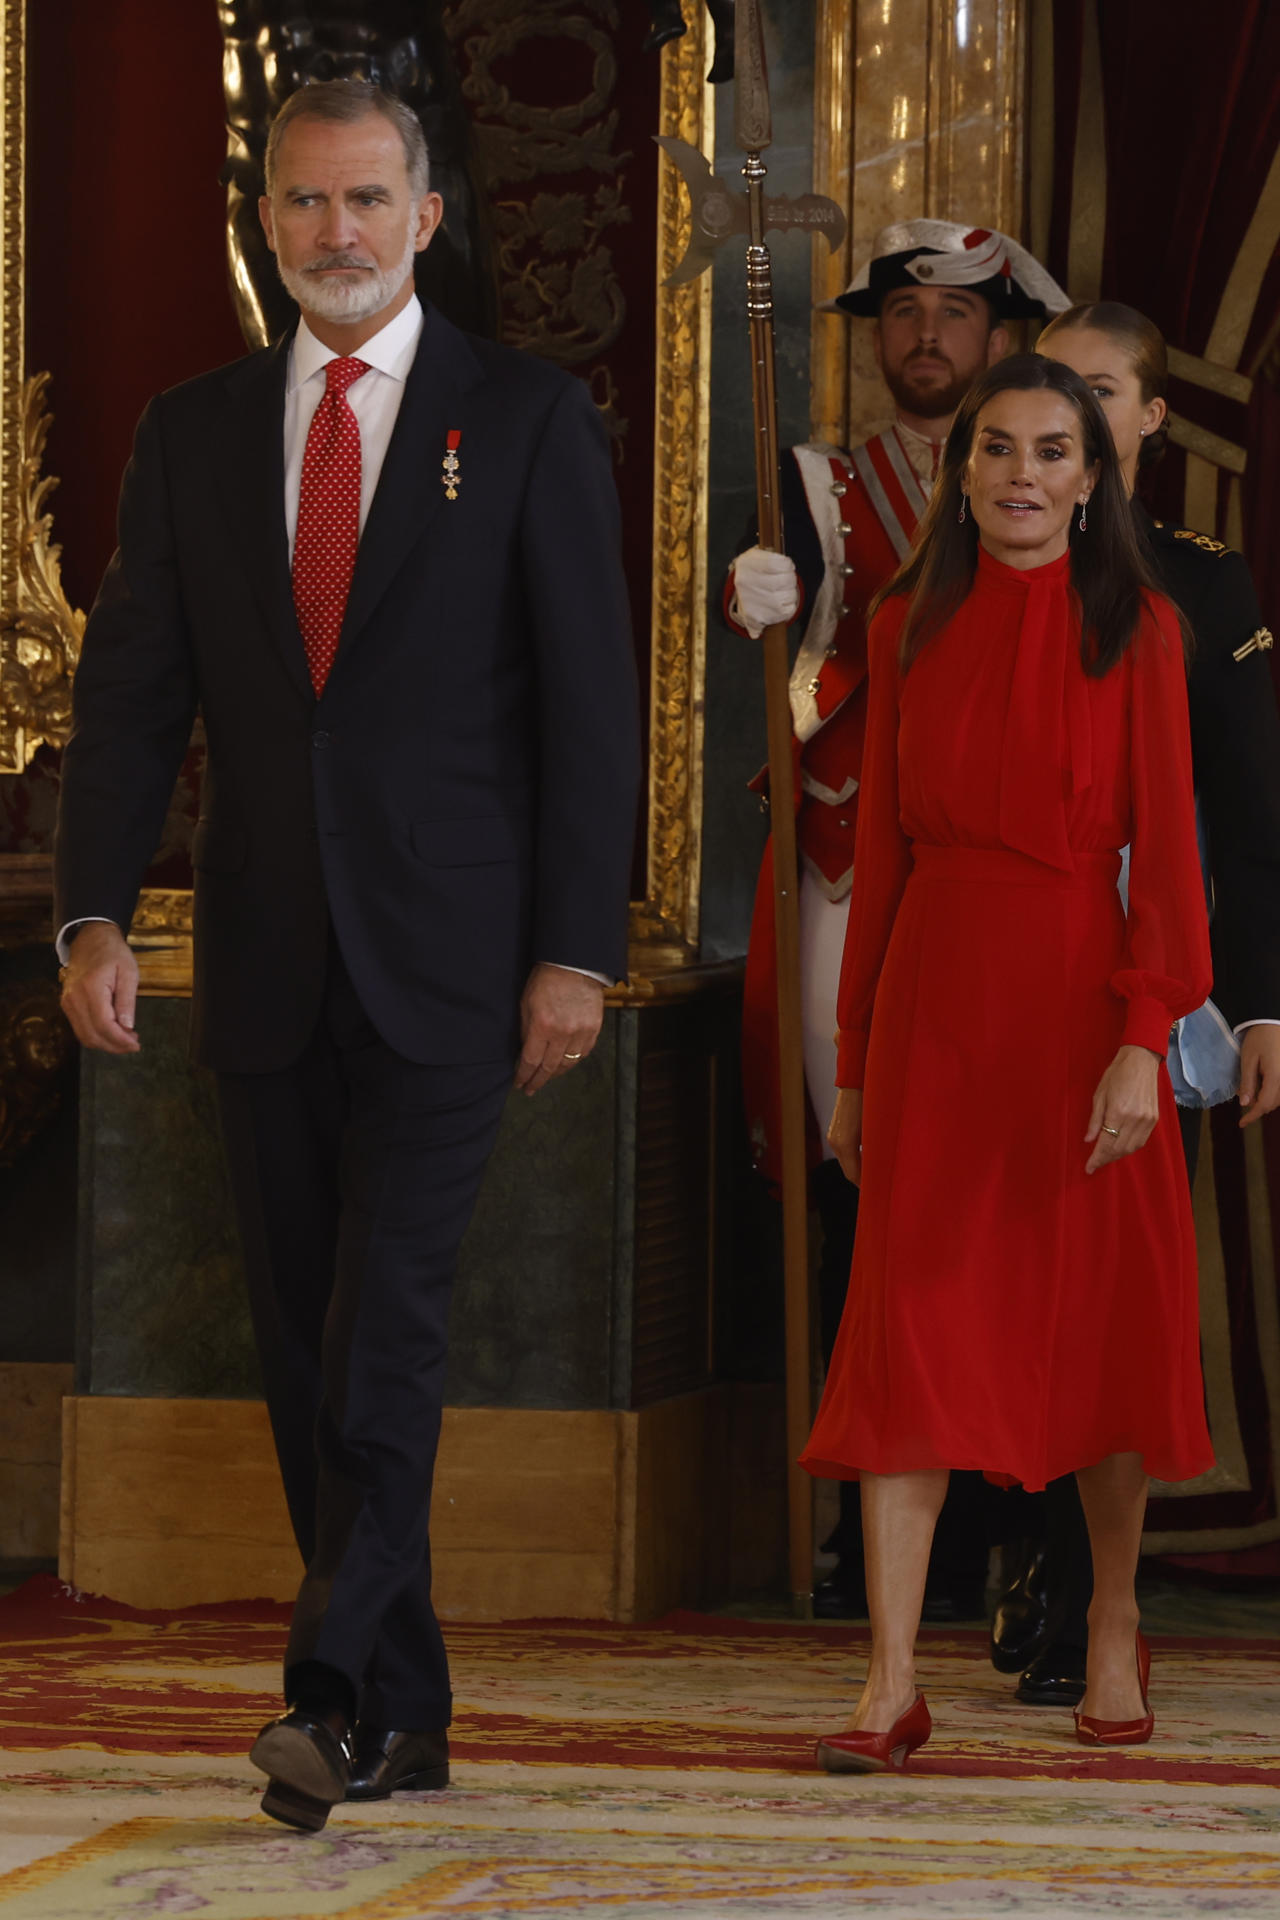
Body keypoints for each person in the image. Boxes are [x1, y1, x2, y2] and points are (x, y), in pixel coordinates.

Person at [55, 79, 639, 1831]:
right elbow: (136, 686)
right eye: (304, 204)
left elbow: (589, 712)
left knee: (384, 1326)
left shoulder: (524, 419)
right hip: (262, 956)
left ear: (429, 213)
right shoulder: (195, 427)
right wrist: (93, 910)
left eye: (367, 200)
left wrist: (573, 952)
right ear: (270, 220)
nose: (336, 233)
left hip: (459, 965)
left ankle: (323, 1697)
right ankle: (407, 1709)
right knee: (310, 1352)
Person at [800, 353, 1213, 1774]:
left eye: (1052, 452)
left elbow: (1168, 855)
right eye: (997, 452)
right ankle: (892, 1681)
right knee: (910, 1329)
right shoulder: (907, 622)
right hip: (935, 1010)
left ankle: (1110, 1621)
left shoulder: (1141, 629)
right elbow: (884, 864)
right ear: (963, 474)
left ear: (1094, 479)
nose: (1022, 477)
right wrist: (852, 1063)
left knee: (1095, 1322)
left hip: (1084, 1006)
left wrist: (1143, 1042)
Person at [728, 222, 1070, 1619]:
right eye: (903, 314)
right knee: (860, 1173)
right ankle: (860, 1531)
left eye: (954, 314)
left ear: (1006, 337)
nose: (925, 337)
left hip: (1006, 887)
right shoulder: (819, 480)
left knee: (1009, 1198)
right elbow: (799, 666)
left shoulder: (1048, 475)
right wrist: (774, 604)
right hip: (853, 863)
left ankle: (1011, 1527)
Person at [987, 303, 1280, 1709]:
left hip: (1149, 984)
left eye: (1102, 392)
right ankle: (1039, 1565)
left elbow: (1252, 815)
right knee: (1006, 1281)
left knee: (1109, 1295)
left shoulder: (1199, 589)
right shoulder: (975, 570)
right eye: (1051, 388)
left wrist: (1266, 1003)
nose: (1077, 415)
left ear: (1149, 421)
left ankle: (1094, 1588)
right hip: (997, 987)